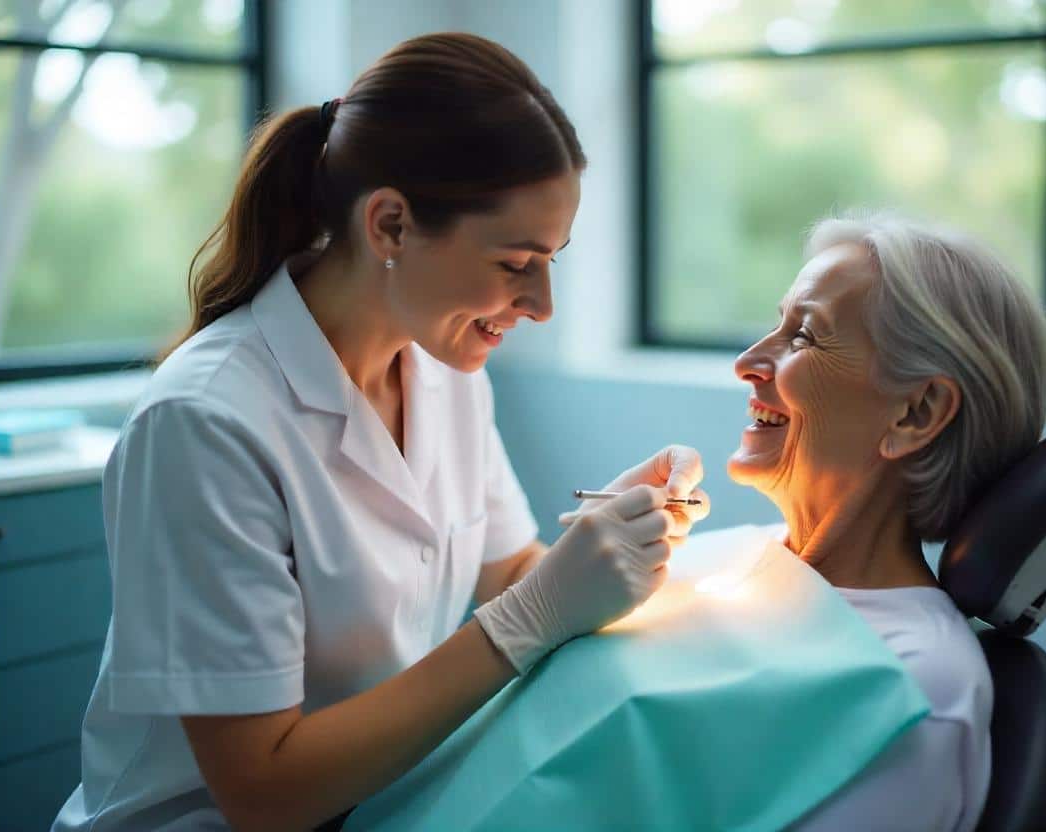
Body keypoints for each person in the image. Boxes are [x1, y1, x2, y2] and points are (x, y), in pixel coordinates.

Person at [53, 33, 708, 831]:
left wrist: (612, 546)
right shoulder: (205, 422)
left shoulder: (444, 371)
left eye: (553, 261)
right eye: (514, 264)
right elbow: (263, 792)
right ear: (391, 224)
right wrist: (537, 611)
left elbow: (509, 573)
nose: (542, 305)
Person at [728, 213, 1046, 831]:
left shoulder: (914, 690)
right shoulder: (737, 559)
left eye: (803, 337)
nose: (747, 362)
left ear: (916, 412)